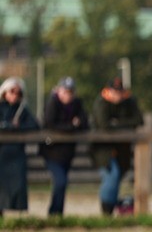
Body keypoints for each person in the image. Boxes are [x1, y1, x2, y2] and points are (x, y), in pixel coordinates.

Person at [91, 76, 143, 215]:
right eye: (114, 91)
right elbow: (104, 125)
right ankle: (106, 210)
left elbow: (138, 120)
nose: (117, 95)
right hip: (103, 150)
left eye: (119, 91)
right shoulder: (101, 103)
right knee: (111, 177)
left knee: (117, 178)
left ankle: (110, 210)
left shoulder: (129, 101)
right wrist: (124, 125)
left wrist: (117, 123)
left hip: (122, 150)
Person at [41, 77, 89, 215]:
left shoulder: (77, 103)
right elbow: (51, 124)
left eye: (70, 91)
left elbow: (84, 122)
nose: (68, 94)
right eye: (65, 91)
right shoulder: (52, 103)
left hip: (67, 152)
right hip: (51, 152)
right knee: (61, 182)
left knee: (62, 183)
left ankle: (57, 213)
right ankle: (54, 213)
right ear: (59, 90)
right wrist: (72, 126)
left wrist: (73, 126)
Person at [0, 77, 39, 216]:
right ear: (5, 92)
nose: (15, 95)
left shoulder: (22, 110)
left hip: (17, 154)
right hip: (2, 154)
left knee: (19, 186)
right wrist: (9, 126)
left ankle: (19, 215)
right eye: (12, 91)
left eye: (18, 93)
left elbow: (34, 125)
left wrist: (19, 127)